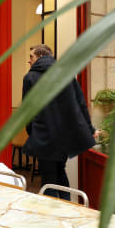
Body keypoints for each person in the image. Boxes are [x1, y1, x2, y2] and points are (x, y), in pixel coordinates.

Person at [22, 44, 100, 200]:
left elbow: (27, 110)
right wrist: (90, 128)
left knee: (48, 179)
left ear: (40, 56)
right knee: (59, 172)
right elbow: (81, 103)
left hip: (44, 135)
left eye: (31, 57)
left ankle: (54, 216)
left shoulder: (30, 77)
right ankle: (68, 207)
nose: (29, 61)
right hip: (65, 135)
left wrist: (32, 132)